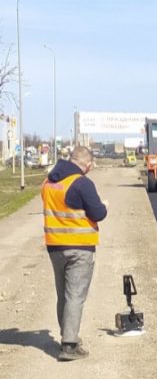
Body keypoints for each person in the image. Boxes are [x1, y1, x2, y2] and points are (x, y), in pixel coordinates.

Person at [42, 146, 107, 361]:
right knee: (75, 295)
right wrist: (104, 206)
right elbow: (97, 213)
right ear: (86, 164)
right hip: (79, 246)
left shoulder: (49, 182)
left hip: (54, 246)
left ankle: (66, 335)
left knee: (63, 293)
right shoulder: (81, 183)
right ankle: (69, 345)